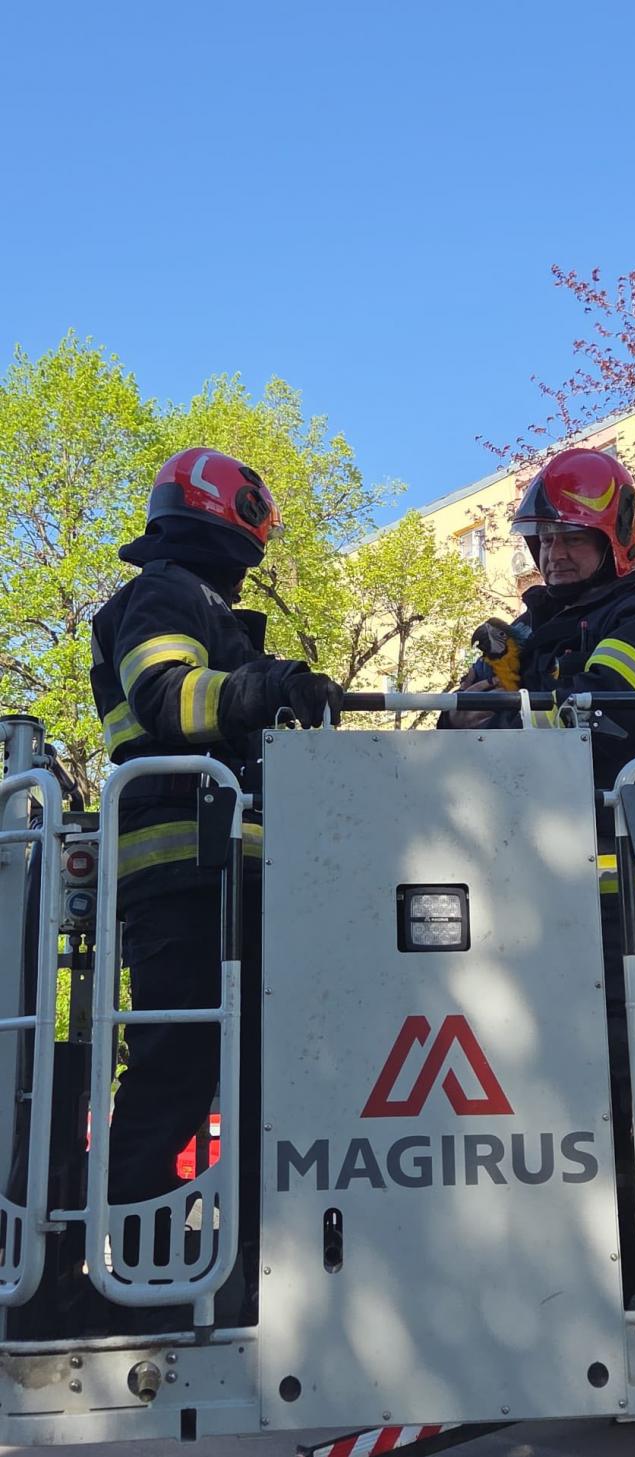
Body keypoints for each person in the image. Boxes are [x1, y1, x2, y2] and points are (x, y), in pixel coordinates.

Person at [442, 446, 635, 1300]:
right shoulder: (523, 633)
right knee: (547, 1096)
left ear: (615, 537)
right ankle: (574, 1280)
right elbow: (457, 737)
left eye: (572, 538)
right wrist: (475, 701)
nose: (553, 554)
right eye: (543, 539)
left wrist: (511, 707)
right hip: (530, 907)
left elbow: (612, 728)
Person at [90, 447, 343, 1316]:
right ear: (225, 516)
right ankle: (148, 1269)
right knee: (176, 1066)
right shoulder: (167, 595)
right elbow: (166, 695)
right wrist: (262, 687)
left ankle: (232, 1260)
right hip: (187, 873)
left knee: (252, 1072)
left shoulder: (195, 600)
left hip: (222, 873)